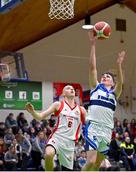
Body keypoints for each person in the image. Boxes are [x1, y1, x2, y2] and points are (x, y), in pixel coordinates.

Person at [82, 30, 126, 171]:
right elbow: (92, 68)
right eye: (103, 76)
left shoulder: (114, 93)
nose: (104, 77)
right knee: (91, 161)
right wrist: (93, 44)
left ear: (113, 83)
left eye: (108, 76)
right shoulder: (95, 88)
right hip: (93, 127)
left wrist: (119, 64)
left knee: (96, 165)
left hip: (106, 131)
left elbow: (121, 83)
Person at [25, 85, 86, 171]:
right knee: (49, 154)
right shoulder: (58, 105)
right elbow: (40, 116)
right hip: (57, 137)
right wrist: (32, 112)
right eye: (68, 88)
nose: (72, 89)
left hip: (69, 143)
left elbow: (89, 124)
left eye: (72, 88)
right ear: (63, 94)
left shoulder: (81, 109)